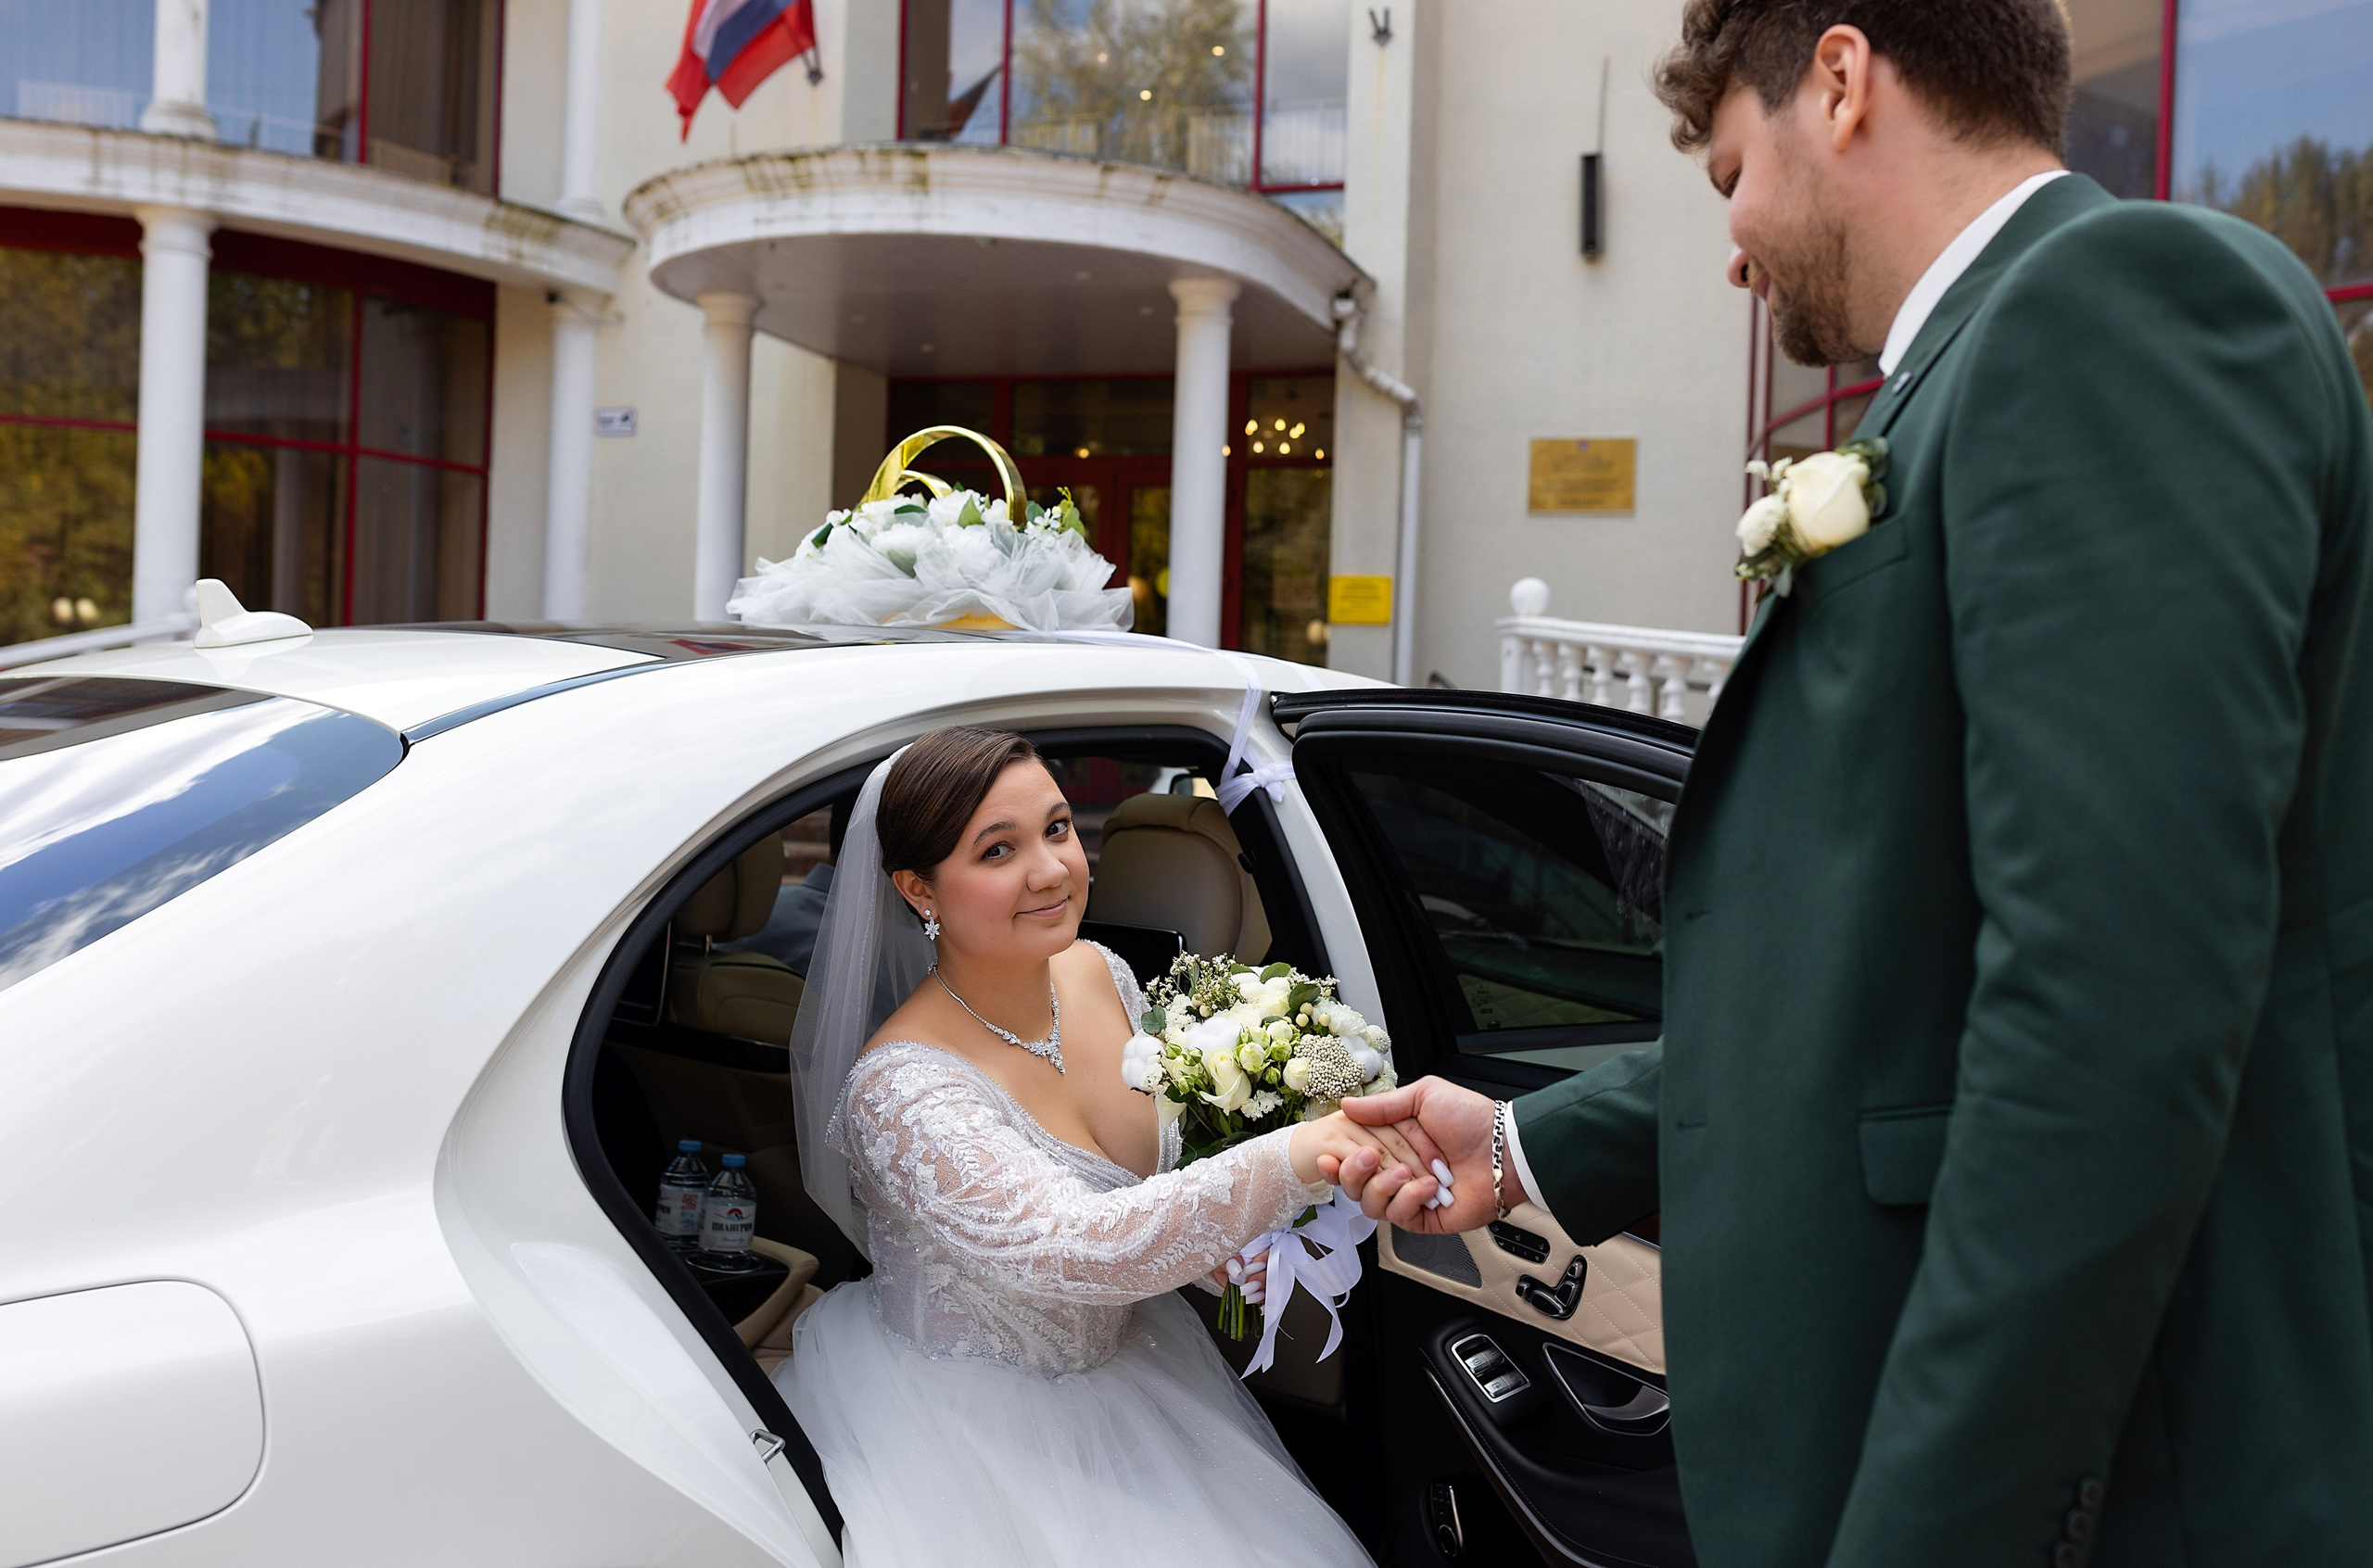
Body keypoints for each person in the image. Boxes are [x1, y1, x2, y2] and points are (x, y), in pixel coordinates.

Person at [1333, 4, 2373, 1565]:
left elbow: (2110, 1011)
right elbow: (1896, 982)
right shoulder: (1968, 375)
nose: (1736, 247)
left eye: (1734, 173)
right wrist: (1536, 1143)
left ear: (1841, 75)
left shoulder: (2114, 307)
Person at [775, 727, 1409, 1567]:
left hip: (1140, 1372)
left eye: (1060, 828)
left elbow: (1156, 1179)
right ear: (918, 889)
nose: (1050, 870)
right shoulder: (902, 1089)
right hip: (975, 1432)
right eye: (998, 850)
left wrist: (1226, 1245)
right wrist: (1294, 1155)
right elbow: (1081, 1246)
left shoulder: (1096, 968)